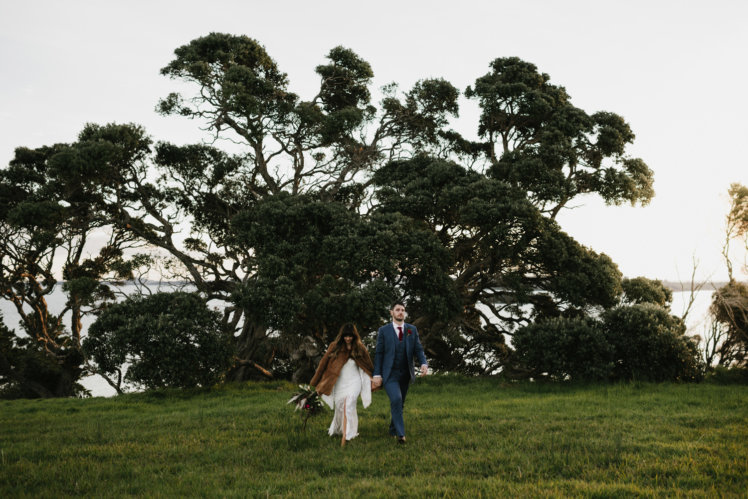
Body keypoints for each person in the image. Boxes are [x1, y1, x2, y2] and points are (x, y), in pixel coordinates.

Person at [372, 301, 428, 444]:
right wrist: (377, 374)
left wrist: (423, 363)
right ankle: (401, 434)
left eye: (403, 310)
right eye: (397, 310)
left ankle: (392, 428)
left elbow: (418, 349)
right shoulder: (384, 330)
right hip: (390, 374)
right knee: (396, 399)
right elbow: (379, 353)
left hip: (405, 374)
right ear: (391, 312)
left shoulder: (411, 329)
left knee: (400, 403)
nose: (400, 312)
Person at [310, 323, 374, 443]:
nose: (348, 338)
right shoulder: (334, 346)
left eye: (350, 336)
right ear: (342, 336)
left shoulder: (360, 348)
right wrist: (316, 381)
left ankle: (347, 436)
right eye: (346, 336)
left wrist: (374, 379)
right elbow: (323, 363)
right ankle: (340, 429)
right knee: (340, 407)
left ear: (354, 336)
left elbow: (368, 365)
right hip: (340, 382)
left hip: (355, 381)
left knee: (348, 405)